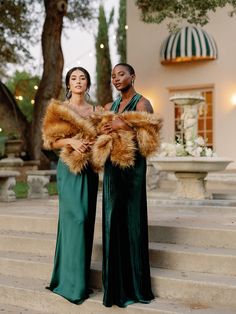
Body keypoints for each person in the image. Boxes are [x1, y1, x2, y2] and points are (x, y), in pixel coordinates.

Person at [101, 63, 161, 307]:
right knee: (112, 222)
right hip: (112, 169)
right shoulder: (109, 106)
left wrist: (122, 125)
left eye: (121, 74)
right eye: (113, 75)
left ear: (132, 76)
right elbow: (102, 133)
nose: (116, 78)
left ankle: (134, 286)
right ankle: (115, 287)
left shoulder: (142, 103)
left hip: (132, 171)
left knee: (130, 222)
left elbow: (149, 138)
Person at [42, 67, 99, 304]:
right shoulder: (60, 109)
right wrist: (72, 142)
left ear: (87, 84)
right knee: (74, 219)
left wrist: (94, 143)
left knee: (85, 220)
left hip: (89, 170)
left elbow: (101, 139)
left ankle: (79, 279)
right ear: (68, 83)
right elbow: (49, 142)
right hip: (68, 169)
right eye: (74, 78)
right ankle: (70, 284)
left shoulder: (95, 111)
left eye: (82, 78)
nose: (78, 81)